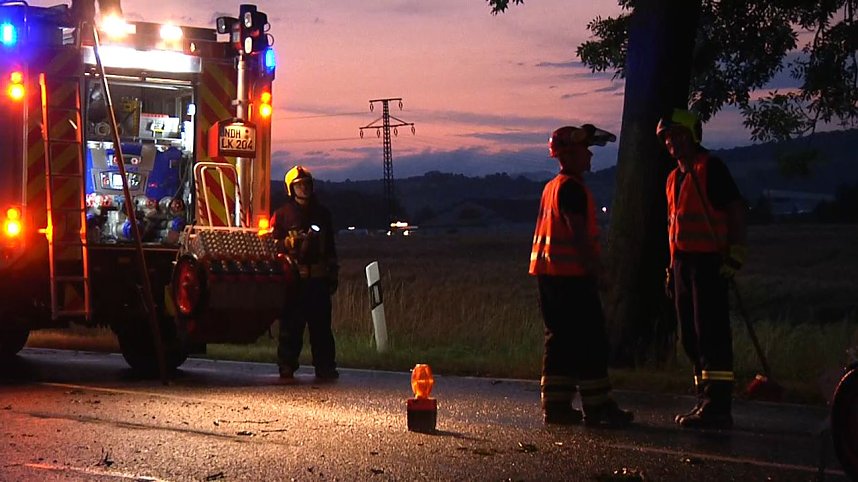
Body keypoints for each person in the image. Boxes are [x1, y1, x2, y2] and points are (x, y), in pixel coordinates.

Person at [529, 124, 634, 427]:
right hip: (571, 277)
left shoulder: (552, 187)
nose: (590, 156)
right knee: (591, 340)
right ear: (571, 154)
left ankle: (556, 405)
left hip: (548, 277)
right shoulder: (572, 188)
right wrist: (597, 271)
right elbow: (578, 235)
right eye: (585, 150)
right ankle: (599, 406)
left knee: (559, 340)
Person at [657, 109, 748, 429]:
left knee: (711, 334)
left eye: (677, 136)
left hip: (709, 262)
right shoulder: (673, 178)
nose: (672, 142)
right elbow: (674, 227)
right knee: (691, 337)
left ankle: (718, 405)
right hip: (682, 264)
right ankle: (703, 398)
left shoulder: (710, 168)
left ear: (693, 135)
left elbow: (735, 210)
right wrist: (671, 269)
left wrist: (735, 254)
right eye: (667, 138)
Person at [271, 165, 340, 381]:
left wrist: (332, 274)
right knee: (291, 327)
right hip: (294, 280)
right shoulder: (282, 215)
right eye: (299, 185)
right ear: (291, 189)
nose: (304, 189)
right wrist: (286, 242)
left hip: (318, 281)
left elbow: (330, 247)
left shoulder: (323, 214)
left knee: (321, 329)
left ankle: (325, 368)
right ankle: (287, 366)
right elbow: (271, 245)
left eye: (307, 184)